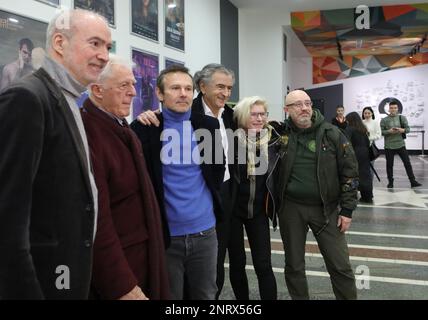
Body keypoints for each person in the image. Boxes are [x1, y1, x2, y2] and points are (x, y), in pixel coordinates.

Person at [0, 9, 111, 299]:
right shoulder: (27, 98)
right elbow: (7, 221)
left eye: (108, 47)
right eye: (95, 43)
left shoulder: (68, 98)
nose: (104, 56)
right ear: (60, 44)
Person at [137, 63, 236, 300]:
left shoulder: (209, 127)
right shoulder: (145, 129)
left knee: (205, 295)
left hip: (205, 234)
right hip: (166, 236)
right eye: (175, 88)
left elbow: (217, 170)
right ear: (159, 94)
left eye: (187, 88)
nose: (183, 94)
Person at [81, 56, 169, 300]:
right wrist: (122, 286)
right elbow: (97, 222)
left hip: (140, 259)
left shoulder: (120, 126)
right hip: (120, 274)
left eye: (133, 84)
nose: (133, 92)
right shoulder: (88, 135)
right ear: (97, 91)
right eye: (124, 86)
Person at [276, 90, 359, 300]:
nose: (304, 108)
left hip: (327, 209)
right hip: (291, 208)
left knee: (340, 265)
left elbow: (350, 171)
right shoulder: (280, 135)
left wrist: (347, 210)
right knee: (294, 265)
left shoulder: (331, 133)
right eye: (297, 105)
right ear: (287, 110)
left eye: (307, 103)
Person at [228, 96, 279, 300]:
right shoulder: (229, 140)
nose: (259, 118)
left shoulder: (273, 140)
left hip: (258, 211)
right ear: (242, 116)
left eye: (262, 114)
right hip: (233, 212)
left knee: (263, 264)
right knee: (237, 263)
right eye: (254, 114)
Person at [380, 100, 422, 188]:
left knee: (407, 163)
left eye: (395, 108)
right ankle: (390, 182)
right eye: (391, 108)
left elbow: (408, 129)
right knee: (389, 165)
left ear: (397, 108)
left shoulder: (402, 118)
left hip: (401, 145)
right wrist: (389, 131)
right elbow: (381, 132)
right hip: (389, 146)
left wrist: (402, 130)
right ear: (389, 109)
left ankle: (412, 181)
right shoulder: (384, 120)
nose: (393, 109)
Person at [346, 112, 373, 203]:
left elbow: (347, 143)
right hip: (365, 154)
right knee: (365, 175)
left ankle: (352, 196)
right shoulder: (363, 128)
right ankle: (368, 196)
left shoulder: (349, 129)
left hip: (354, 154)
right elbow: (367, 142)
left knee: (353, 175)